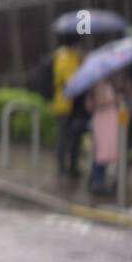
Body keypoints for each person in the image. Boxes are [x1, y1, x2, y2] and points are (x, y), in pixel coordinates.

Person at [50, 37, 83, 177]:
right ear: (74, 44)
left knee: (74, 137)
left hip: (72, 105)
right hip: (64, 104)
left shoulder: (74, 57)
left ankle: (72, 166)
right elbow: (70, 81)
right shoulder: (64, 57)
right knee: (64, 136)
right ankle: (62, 166)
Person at [86, 73, 121, 195]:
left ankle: (96, 179)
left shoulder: (107, 84)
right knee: (101, 150)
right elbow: (98, 102)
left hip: (109, 121)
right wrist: (113, 100)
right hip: (103, 121)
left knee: (105, 151)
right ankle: (97, 181)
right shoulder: (98, 85)